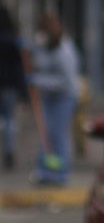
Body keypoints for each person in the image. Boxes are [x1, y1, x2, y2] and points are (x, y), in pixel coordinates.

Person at [27, 13, 81, 185]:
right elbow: (40, 63)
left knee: (58, 135)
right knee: (46, 134)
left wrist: (38, 81)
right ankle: (46, 171)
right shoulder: (46, 47)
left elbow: (66, 82)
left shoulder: (65, 52)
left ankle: (60, 173)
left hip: (64, 98)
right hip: (49, 97)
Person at [0, 0, 26, 170]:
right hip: (8, 84)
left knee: (6, 120)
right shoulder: (11, 41)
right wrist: (22, 87)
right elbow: (19, 64)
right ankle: (8, 151)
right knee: (9, 119)